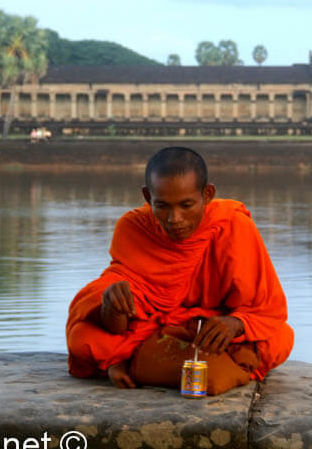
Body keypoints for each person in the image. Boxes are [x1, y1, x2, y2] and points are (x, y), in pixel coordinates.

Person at [66, 147, 293, 394]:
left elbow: (267, 310)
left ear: (208, 194)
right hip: (151, 330)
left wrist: (235, 323)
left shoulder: (233, 226)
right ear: (147, 196)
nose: (175, 219)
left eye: (186, 205)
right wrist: (112, 307)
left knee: (278, 337)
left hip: (211, 333)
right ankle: (170, 365)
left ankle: (132, 364)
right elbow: (120, 324)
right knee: (84, 331)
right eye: (162, 206)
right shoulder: (133, 228)